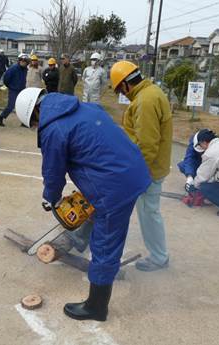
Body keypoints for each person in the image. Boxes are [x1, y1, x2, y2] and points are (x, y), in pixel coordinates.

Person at [15, 87, 151, 322]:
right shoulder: (86, 107)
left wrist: (51, 198)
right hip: (132, 172)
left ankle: (96, 307)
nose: (37, 128)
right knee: (100, 223)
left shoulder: (53, 128)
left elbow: (53, 171)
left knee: (106, 243)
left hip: (114, 187)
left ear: (36, 113)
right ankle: (79, 240)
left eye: (34, 124)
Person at [110, 61, 172, 272]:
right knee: (148, 211)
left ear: (126, 84)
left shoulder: (145, 101)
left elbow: (147, 144)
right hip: (151, 166)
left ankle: (159, 257)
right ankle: (159, 254)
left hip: (148, 170)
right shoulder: (151, 92)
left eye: (120, 90)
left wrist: (136, 174)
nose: (122, 94)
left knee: (148, 212)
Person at [0, 53, 29, 127]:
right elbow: (6, 78)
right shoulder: (13, 68)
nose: (23, 62)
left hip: (22, 90)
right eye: (22, 60)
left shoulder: (26, 70)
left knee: (23, 106)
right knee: (11, 105)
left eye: (25, 61)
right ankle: (0, 117)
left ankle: (24, 122)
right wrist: (10, 86)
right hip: (13, 90)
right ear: (19, 60)